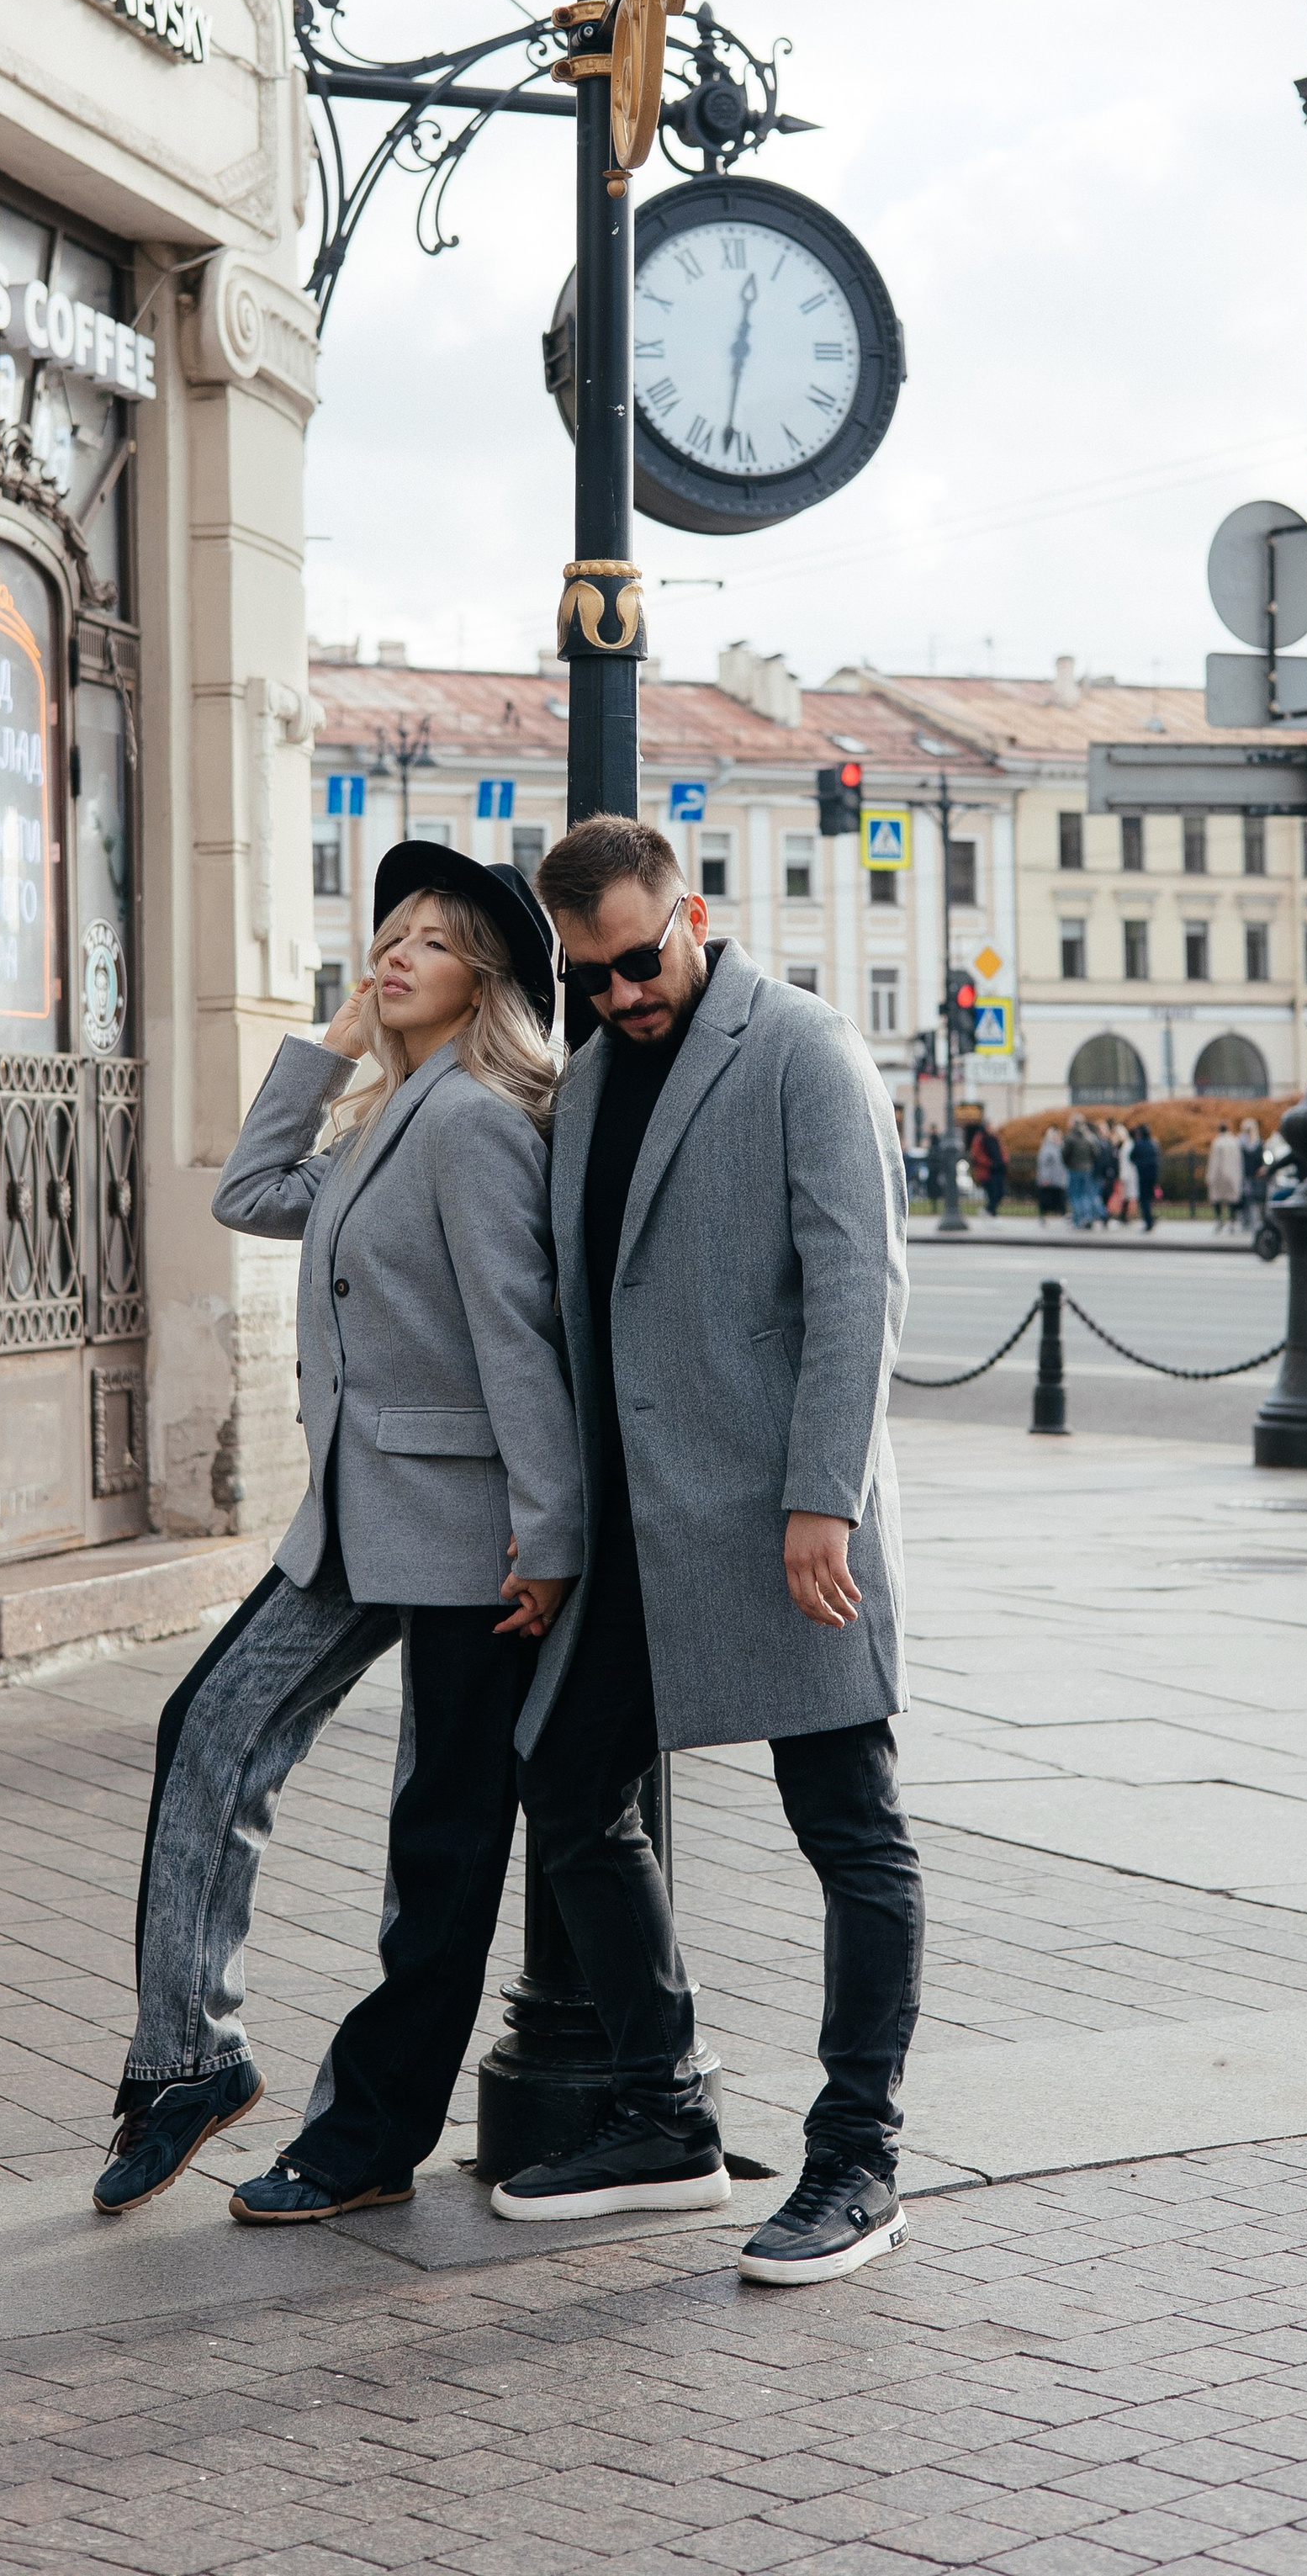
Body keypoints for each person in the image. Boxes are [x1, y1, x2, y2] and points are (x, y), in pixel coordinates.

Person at [91, 846, 585, 2224]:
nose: (397, 952)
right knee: (208, 1725)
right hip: (363, 1521)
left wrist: (548, 1536)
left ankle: (368, 2139)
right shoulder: (390, 1121)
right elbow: (248, 1193)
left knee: (443, 1843)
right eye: (391, 934)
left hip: (476, 1537)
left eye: (432, 940)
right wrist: (335, 1043)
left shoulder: (474, 1122)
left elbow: (519, 1341)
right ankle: (192, 2056)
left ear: (485, 976)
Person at [489, 815, 922, 2293]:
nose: (620, 994)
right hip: (636, 1534)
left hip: (787, 1522)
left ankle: (856, 2158)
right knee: (566, 1786)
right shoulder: (591, 1080)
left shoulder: (800, 1047)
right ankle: (664, 2112)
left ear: (691, 916)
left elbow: (858, 1283)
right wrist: (555, 1521)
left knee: (849, 1828)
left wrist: (825, 1497)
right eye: (591, 975)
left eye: (637, 961)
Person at [966, 1111, 1009, 1220]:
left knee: (1000, 1193)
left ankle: (988, 1211)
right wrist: (990, 1163)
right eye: (989, 1126)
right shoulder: (980, 1138)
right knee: (992, 1193)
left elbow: (1002, 1150)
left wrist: (1003, 1161)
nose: (991, 1128)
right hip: (988, 1171)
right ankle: (992, 1214)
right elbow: (977, 1155)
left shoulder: (995, 1138)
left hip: (998, 1169)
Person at [1062, 1111, 1099, 1230]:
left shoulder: (1070, 1137)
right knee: (1085, 1195)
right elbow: (1095, 1152)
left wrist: (1069, 1164)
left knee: (1075, 1195)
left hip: (1074, 1169)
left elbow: (1064, 1154)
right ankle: (1088, 1218)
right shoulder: (1088, 1136)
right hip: (1087, 1169)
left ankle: (1078, 1220)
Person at [1205, 1121, 1242, 1232]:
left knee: (1217, 1199)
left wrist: (1210, 1176)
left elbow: (1214, 1162)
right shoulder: (1234, 1141)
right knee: (1232, 1199)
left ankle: (1219, 1220)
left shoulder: (1217, 1142)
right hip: (1232, 1175)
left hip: (1220, 1176)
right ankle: (1232, 1222)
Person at [1130, 1120, 1161, 1232]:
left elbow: (1131, 1157)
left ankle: (1148, 1221)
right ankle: (1150, 1218)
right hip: (1152, 1174)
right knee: (1148, 1197)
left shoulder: (1139, 1144)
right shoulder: (1153, 1144)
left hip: (1143, 1174)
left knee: (1144, 1199)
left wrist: (1138, 1163)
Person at [1035, 1121, 1067, 1222]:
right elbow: (1044, 1164)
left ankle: (1062, 1213)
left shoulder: (1060, 1146)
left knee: (1060, 1197)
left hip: (1059, 1178)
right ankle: (1043, 1215)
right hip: (1050, 1178)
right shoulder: (1047, 1148)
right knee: (1046, 1197)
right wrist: (1045, 1178)